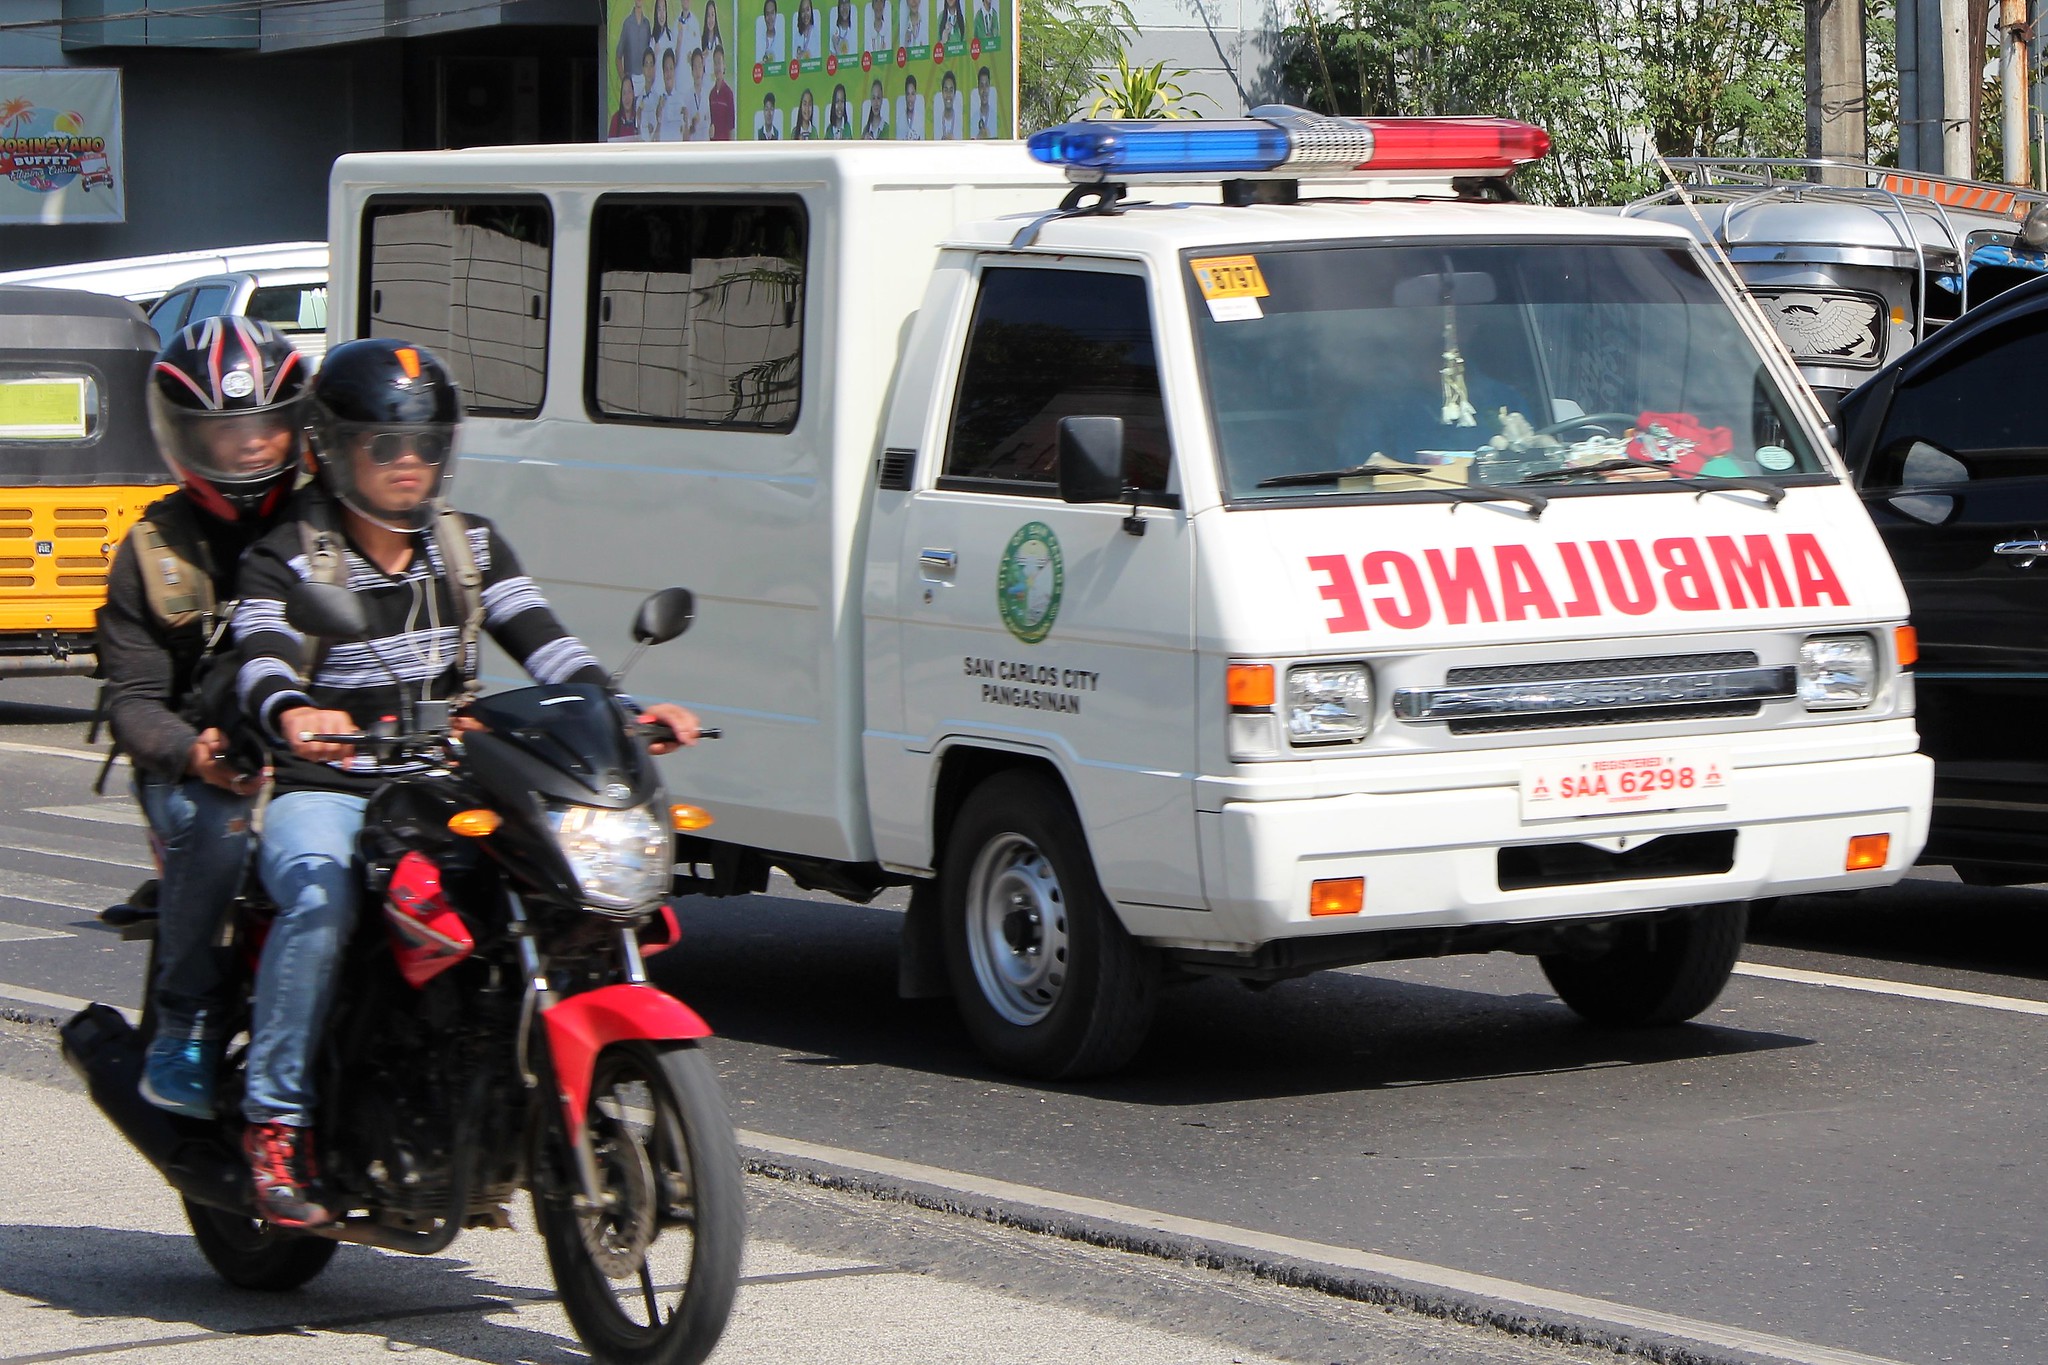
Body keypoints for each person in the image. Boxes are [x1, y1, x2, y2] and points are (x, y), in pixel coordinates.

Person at [231, 339, 700, 1227]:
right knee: (321, 900)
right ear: (334, 449)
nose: (409, 464)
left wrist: (619, 707)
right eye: (385, 445)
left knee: (558, 895)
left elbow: (548, 644)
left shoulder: (467, 543)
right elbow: (261, 655)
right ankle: (277, 1125)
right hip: (329, 785)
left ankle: (498, 1089)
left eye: (425, 445)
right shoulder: (288, 552)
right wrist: (296, 711)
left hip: (446, 780)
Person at [100, 317, 309, 1119]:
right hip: (207, 757)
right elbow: (133, 704)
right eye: (225, 434)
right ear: (185, 438)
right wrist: (194, 754)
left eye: (265, 428)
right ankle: (185, 1023)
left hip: (328, 741)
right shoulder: (153, 549)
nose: (251, 449)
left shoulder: (332, 522)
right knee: (217, 821)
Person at [615, 0, 653, 96]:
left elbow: (651, 55)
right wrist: (625, 82)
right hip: (631, 82)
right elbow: (618, 57)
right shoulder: (627, 24)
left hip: (644, 84)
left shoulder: (647, 24)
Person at [655, 47, 686, 140]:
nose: (668, 73)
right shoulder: (658, 100)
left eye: (671, 68)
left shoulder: (681, 100)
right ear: (663, 72)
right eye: (666, 69)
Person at [683, 46, 712, 140]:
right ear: (691, 71)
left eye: (700, 66)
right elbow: (685, 133)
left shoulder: (708, 94)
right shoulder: (687, 97)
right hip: (693, 147)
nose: (697, 71)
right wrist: (692, 126)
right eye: (695, 67)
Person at [709, 45, 737, 139]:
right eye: (715, 63)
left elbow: (731, 128)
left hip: (724, 146)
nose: (717, 67)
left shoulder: (728, 94)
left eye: (719, 62)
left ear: (724, 65)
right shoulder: (711, 94)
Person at [970, 64, 999, 138]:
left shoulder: (995, 117)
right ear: (978, 89)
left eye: (986, 85)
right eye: (981, 86)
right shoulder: (973, 119)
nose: (984, 90)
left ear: (989, 87)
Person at [933, 67, 960, 138]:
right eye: (946, 90)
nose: (948, 95)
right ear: (942, 93)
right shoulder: (936, 122)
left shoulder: (960, 121)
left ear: (954, 94)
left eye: (951, 90)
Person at [756, 0, 785, 66]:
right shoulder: (759, 41)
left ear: (776, 14)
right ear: (764, 17)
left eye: (772, 13)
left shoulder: (781, 39)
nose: (770, 18)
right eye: (767, 14)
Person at [896, 71, 924, 139]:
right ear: (905, 95)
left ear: (916, 95)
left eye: (912, 94)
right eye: (908, 94)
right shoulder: (900, 121)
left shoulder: (920, 120)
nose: (910, 99)